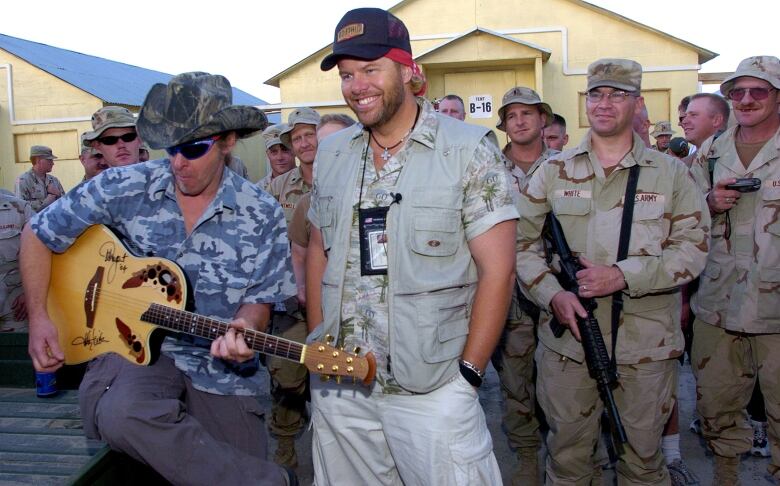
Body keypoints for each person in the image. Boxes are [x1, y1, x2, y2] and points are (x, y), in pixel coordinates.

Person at [21, 72, 296, 486]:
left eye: (194, 148)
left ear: (227, 141)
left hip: (220, 370)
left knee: (230, 463)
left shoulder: (262, 211)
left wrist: (245, 328)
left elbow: (259, 299)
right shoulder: (123, 186)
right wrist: (41, 318)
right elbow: (38, 234)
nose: (178, 162)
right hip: (137, 351)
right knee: (121, 414)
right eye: (172, 148)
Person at [307, 8, 518, 484]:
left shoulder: (467, 150)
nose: (357, 86)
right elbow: (319, 246)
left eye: (370, 69)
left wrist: (468, 376)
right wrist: (320, 339)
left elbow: (498, 271)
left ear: (408, 71)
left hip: (432, 387)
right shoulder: (333, 154)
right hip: (343, 386)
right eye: (346, 75)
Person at [515, 58, 709, 484]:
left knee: (643, 463)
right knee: (567, 461)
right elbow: (520, 245)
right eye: (597, 94)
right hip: (569, 347)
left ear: (637, 104)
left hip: (646, 349)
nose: (605, 104)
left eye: (617, 95)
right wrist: (553, 295)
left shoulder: (671, 173)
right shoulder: (552, 171)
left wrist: (622, 275)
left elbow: (693, 250)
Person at [689, 55, 780, 484]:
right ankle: (726, 477)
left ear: (776, 96)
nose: (745, 100)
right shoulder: (710, 152)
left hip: (776, 307)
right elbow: (681, 218)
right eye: (736, 92)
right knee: (717, 406)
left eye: (758, 91)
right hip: (719, 305)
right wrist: (707, 203)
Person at [494, 85, 557, 485]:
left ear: (543, 120)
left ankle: (568, 452)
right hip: (509, 289)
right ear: (504, 125)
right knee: (516, 380)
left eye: (528, 114)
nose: (520, 121)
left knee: (562, 379)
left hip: (556, 289)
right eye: (512, 115)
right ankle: (528, 455)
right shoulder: (487, 168)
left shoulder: (565, 167)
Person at [267, 106, 321, 469]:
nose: (303, 143)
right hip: (292, 301)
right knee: (286, 376)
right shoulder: (276, 189)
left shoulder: (349, 176)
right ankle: (286, 441)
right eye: (295, 138)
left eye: (308, 135)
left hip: (339, 299)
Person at [681, 93, 730, 189]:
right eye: (686, 116)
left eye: (693, 115)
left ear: (716, 120)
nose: (684, 122)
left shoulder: (736, 159)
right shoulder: (684, 164)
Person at [0, 191, 32, 332]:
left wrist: (31, 294)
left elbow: (43, 251)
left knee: (16, 351)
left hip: (14, 309)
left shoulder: (20, 208)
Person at [14, 146, 64, 212]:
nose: (53, 163)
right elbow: (20, 207)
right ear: (38, 160)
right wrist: (45, 202)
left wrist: (58, 194)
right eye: (49, 160)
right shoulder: (23, 181)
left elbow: (66, 204)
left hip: (53, 221)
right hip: (34, 221)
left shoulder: (54, 180)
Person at [257, 124, 296, 192]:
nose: (280, 157)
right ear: (268, 155)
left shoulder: (310, 182)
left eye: (285, 150)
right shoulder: (259, 189)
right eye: (274, 151)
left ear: (295, 151)